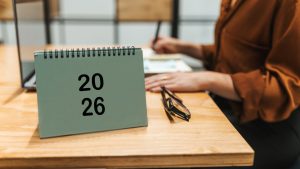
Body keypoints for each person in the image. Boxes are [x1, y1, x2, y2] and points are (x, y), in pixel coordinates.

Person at [145, 0, 300, 168]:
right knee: (159, 129)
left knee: (172, 152)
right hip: (225, 108)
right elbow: (233, 54)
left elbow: (284, 87)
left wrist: (207, 79)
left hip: (268, 126)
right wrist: (183, 47)